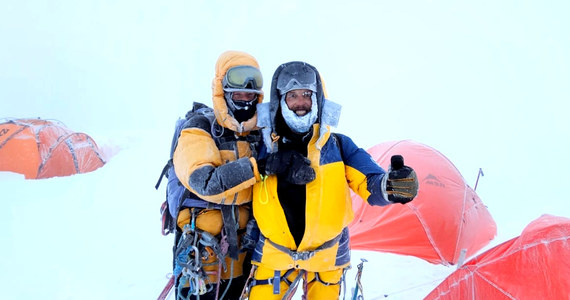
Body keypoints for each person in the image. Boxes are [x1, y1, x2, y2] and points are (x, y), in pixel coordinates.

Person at [247, 61, 419, 299]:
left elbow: (370, 182)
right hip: (272, 258)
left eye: (307, 95)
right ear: (280, 100)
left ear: (317, 99)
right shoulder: (261, 146)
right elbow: (235, 180)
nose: (300, 103)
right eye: (292, 95)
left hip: (327, 259)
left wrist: (391, 186)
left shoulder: (338, 146)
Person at [172, 50, 265, 299]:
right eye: (238, 92)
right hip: (201, 256)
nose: (245, 98)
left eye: (251, 93)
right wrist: (258, 169)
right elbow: (205, 181)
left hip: (245, 253)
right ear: (221, 89)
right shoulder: (198, 129)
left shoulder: (262, 135)